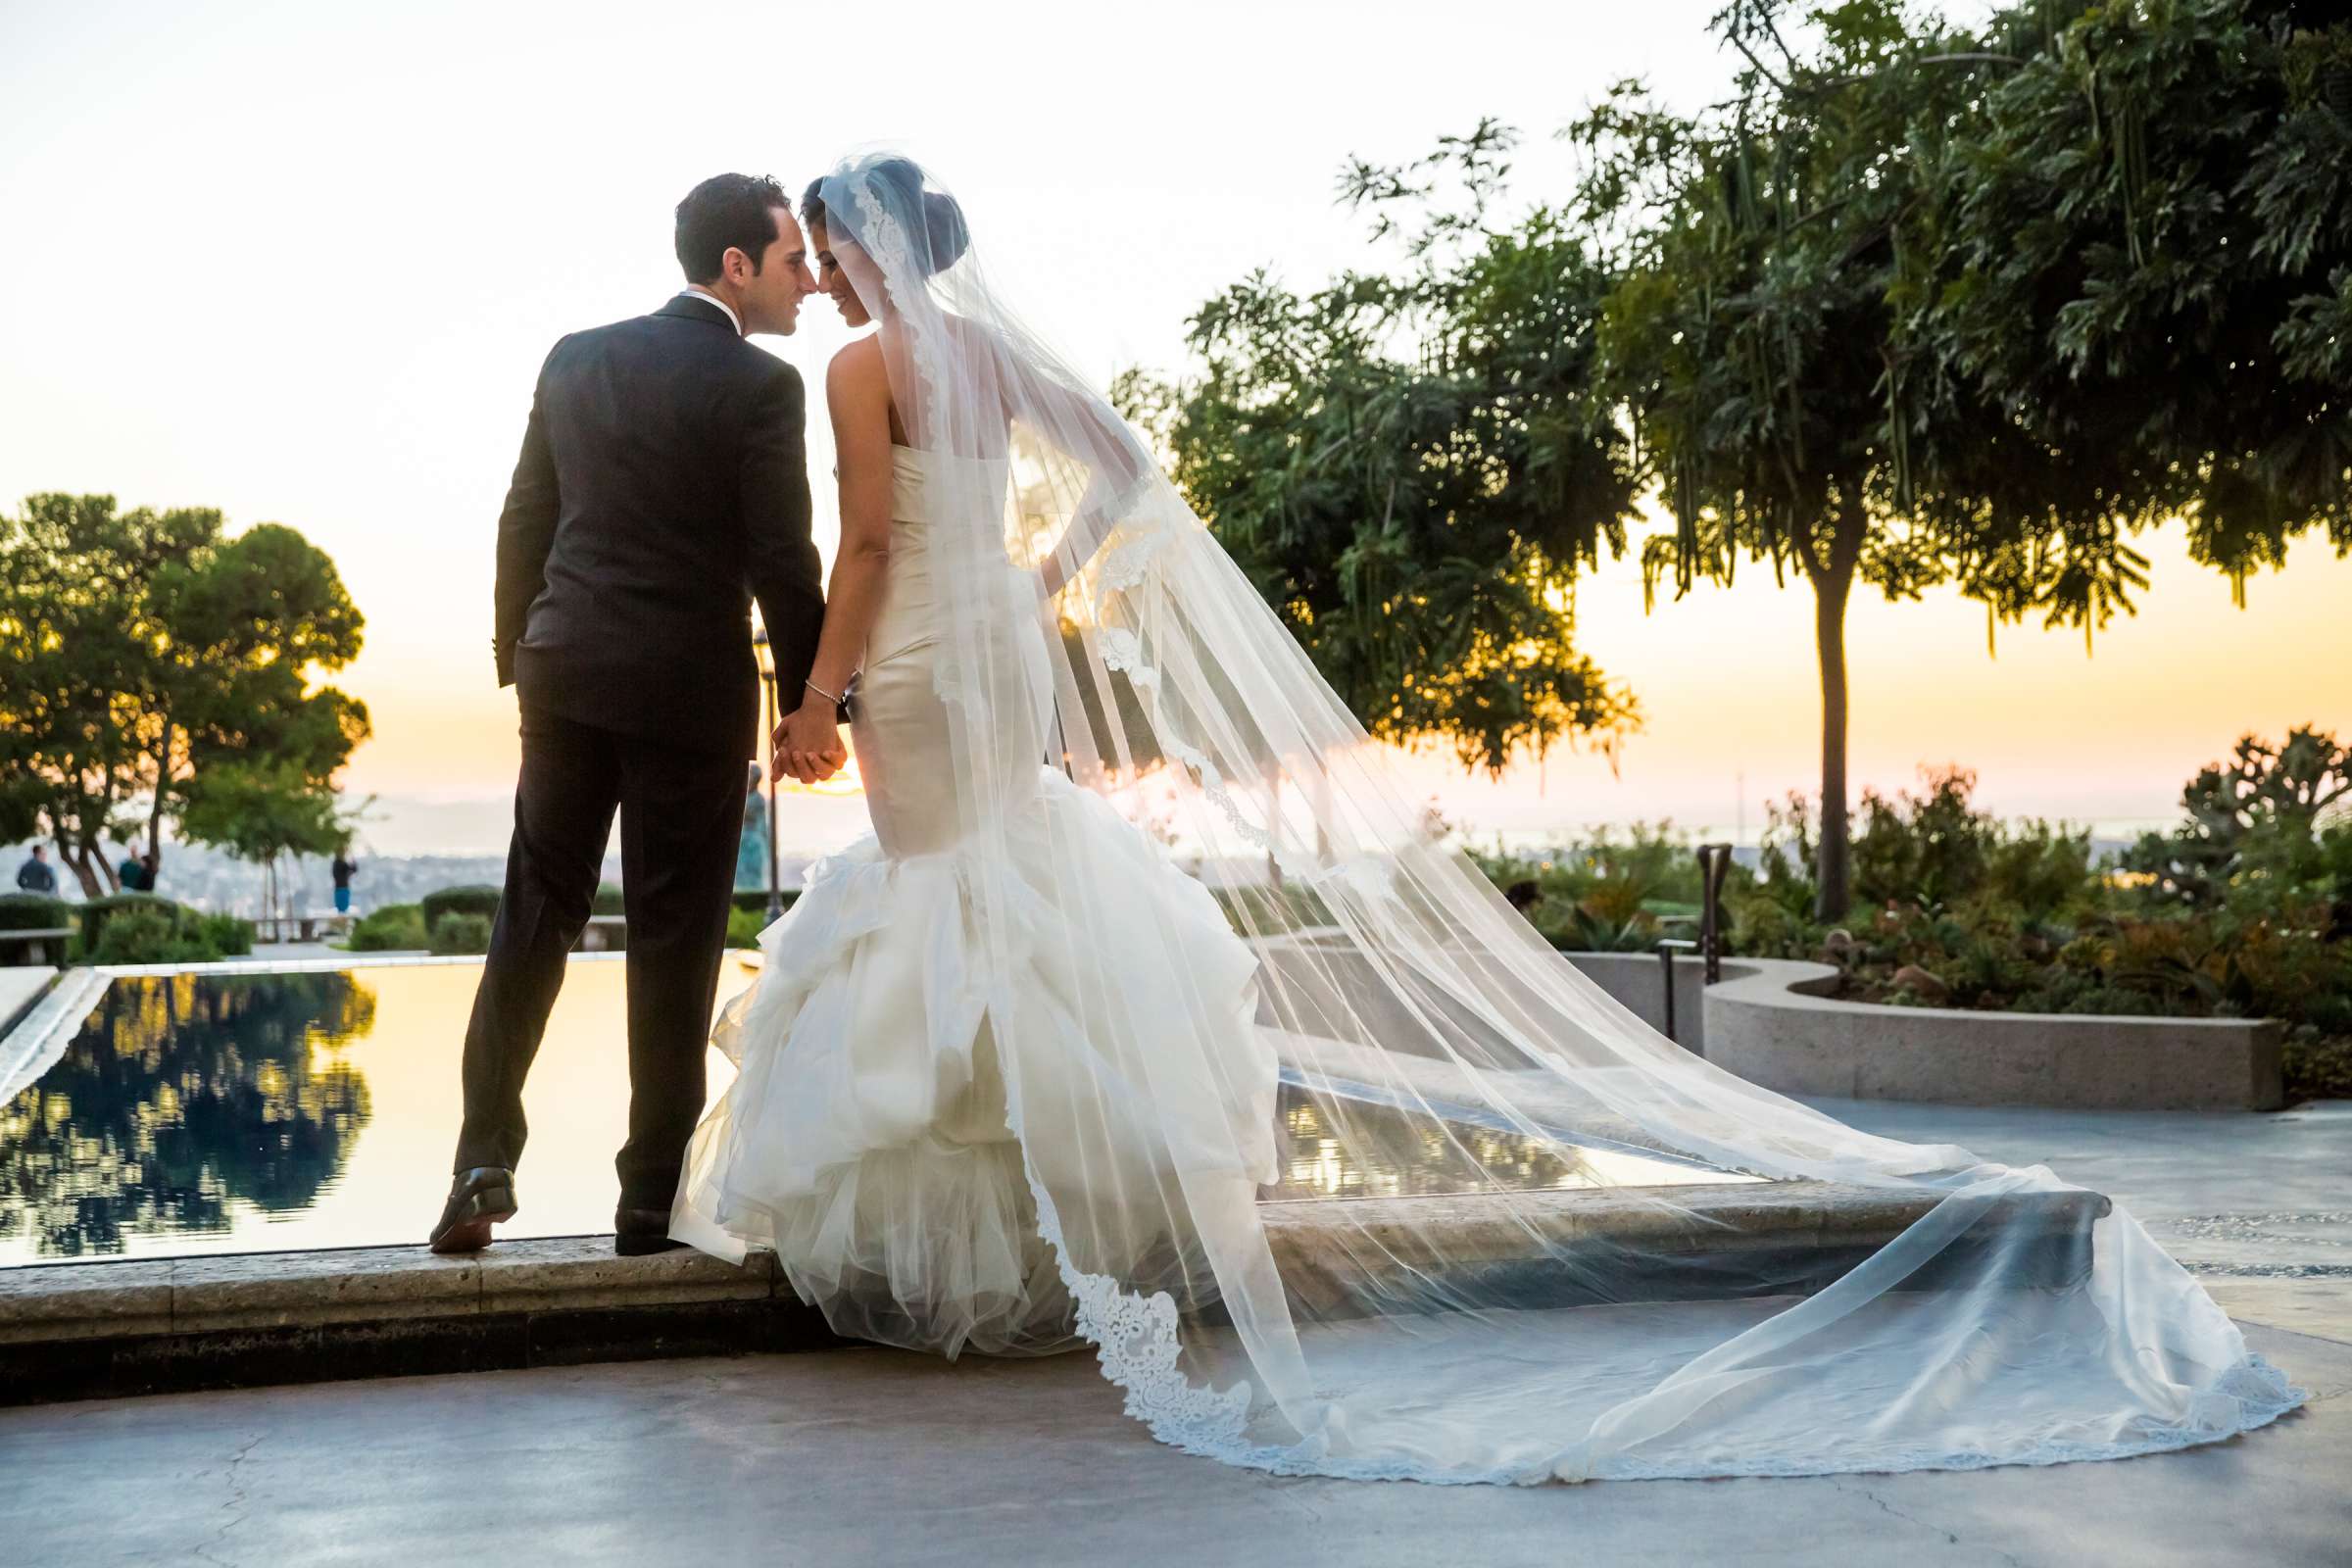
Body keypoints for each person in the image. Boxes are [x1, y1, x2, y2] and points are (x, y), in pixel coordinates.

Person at [667, 154, 2296, 1486]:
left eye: (820, 240)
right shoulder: (997, 360)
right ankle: (1059, 1221)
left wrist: (812, 698)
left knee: (943, 886)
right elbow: (1126, 466)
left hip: (925, 655)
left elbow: (868, 550)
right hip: (1004, 647)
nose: (810, 263)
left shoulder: (868, 369)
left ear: (862, 247)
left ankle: (986, 1243)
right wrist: (1045, 581)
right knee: (1007, 879)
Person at [430, 172, 830, 1259]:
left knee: (534, 914)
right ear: (735, 266)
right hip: (687, 691)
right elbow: (781, 558)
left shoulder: (575, 356)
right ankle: (648, 1199)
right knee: (673, 939)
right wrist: (812, 697)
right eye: (793, 261)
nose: (807, 284)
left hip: (565, 673)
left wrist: (524, 653)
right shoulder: (762, 387)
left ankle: (481, 1153)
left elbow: (527, 514)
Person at [734, 762, 770, 893]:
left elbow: (760, 822)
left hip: (753, 841)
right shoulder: (741, 796)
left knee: (753, 875)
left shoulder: (759, 799)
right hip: (740, 839)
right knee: (738, 875)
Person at [330, 849, 358, 914]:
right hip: (343, 889)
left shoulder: (336, 864)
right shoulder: (341, 864)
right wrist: (352, 857)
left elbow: (352, 870)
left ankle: (341, 922)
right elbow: (354, 869)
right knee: (343, 909)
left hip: (339, 889)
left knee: (341, 909)